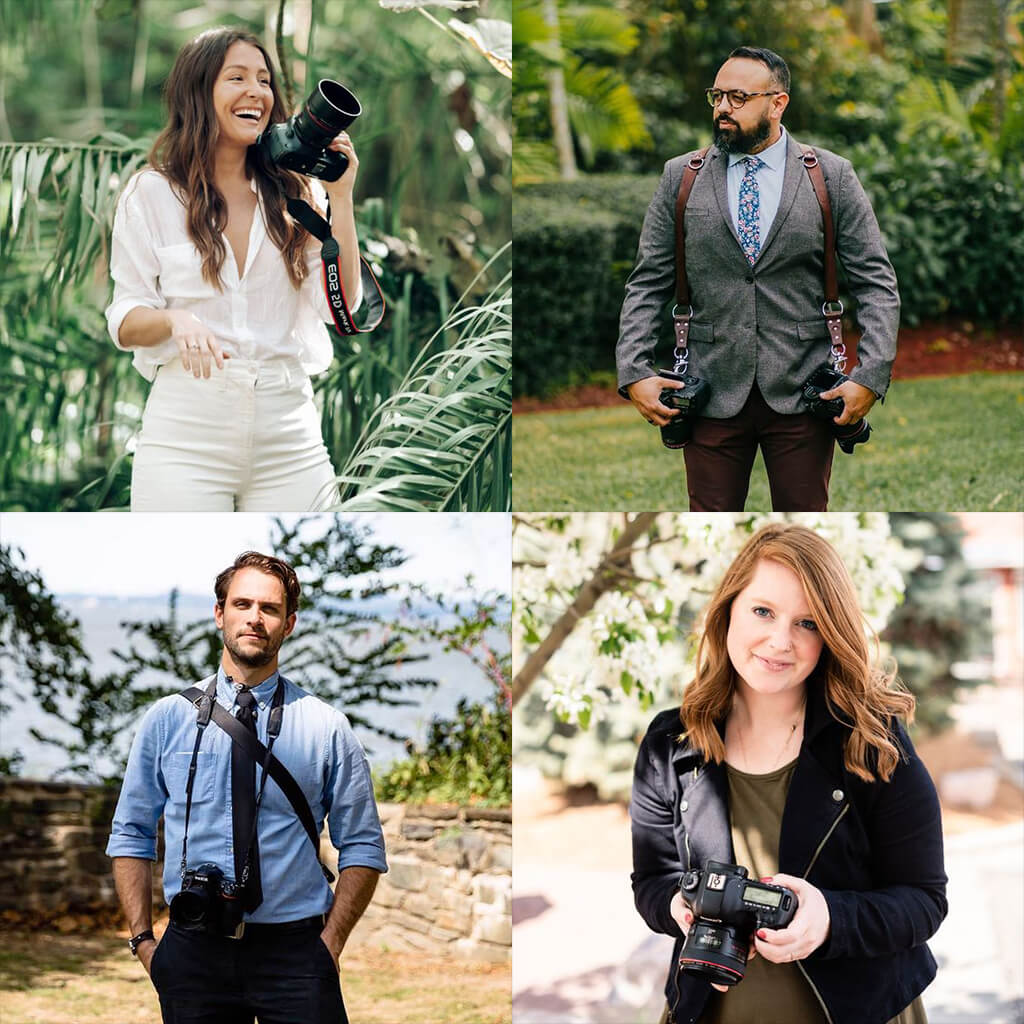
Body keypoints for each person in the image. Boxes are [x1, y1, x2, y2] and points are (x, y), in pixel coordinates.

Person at [630, 524, 946, 1024]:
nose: (780, 641)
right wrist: (678, 906)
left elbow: (924, 901)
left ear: (830, 634)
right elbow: (651, 880)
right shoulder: (670, 744)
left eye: (808, 623)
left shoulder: (872, 741)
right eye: (763, 611)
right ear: (728, 609)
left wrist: (830, 920)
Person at [106, 551, 387, 1024]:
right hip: (191, 950)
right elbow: (131, 833)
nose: (254, 618)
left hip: (296, 955)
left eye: (270, 608)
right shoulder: (166, 719)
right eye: (241, 604)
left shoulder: (327, 727)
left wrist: (330, 944)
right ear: (220, 614)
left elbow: (362, 844)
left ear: (289, 623)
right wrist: (143, 941)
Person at [616, 47, 899, 512]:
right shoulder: (679, 177)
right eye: (717, 95)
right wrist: (635, 371)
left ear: (777, 103)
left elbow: (876, 282)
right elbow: (648, 281)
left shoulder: (831, 175)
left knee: (805, 525)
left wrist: (869, 377)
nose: (723, 107)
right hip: (707, 390)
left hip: (805, 390)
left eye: (739, 97)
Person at [105, 27, 365, 511]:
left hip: (289, 432)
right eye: (237, 77)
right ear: (199, 93)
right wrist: (175, 320)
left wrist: (341, 199)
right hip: (186, 432)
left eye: (264, 80)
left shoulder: (297, 195)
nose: (256, 92)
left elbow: (343, 308)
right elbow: (124, 317)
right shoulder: (153, 194)